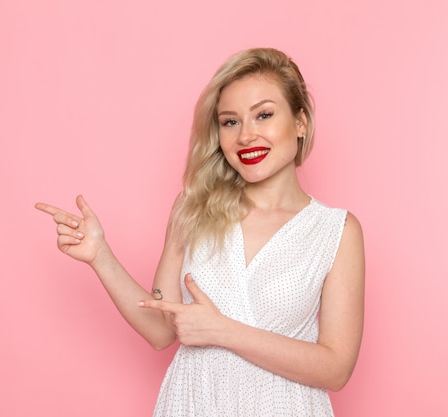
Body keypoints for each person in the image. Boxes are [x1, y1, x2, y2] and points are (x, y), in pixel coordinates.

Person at [35, 47, 365, 416]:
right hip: (195, 403)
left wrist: (222, 331)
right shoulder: (192, 208)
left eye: (264, 115)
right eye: (230, 121)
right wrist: (101, 256)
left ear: (300, 122)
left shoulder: (336, 230)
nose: (246, 136)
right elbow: (161, 329)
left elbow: (336, 369)